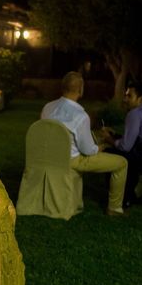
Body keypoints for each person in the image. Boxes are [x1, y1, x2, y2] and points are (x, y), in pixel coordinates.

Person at [41, 71, 128, 216]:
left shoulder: (48, 108)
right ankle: (115, 208)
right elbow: (87, 150)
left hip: (50, 155)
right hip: (71, 160)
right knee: (122, 163)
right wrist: (99, 148)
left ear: (63, 87)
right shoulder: (80, 115)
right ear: (81, 90)